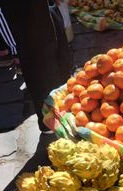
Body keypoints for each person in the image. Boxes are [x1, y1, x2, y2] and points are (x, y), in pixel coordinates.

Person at [0, 0, 72, 132]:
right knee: (41, 73)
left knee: (60, 62)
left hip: (44, 13)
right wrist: (13, 48)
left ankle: (65, 111)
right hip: (26, 26)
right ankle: (49, 123)